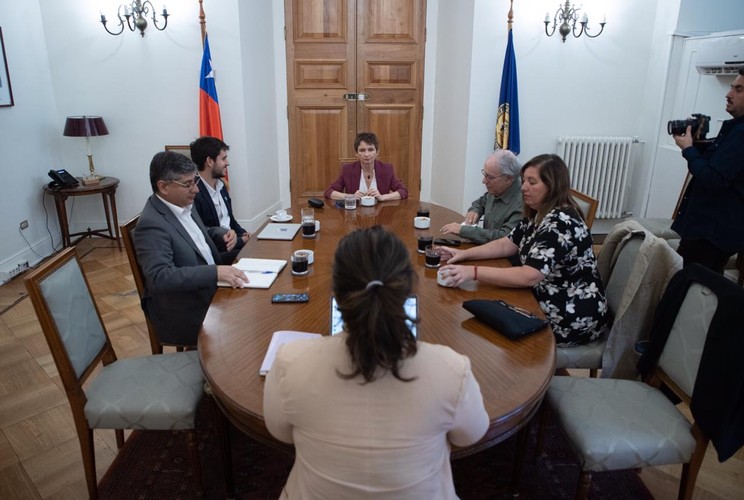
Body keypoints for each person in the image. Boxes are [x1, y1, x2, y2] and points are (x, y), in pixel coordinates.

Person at [264, 226, 489, 499]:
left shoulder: (290, 362)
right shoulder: (452, 370)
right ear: (407, 287)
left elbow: (280, 432)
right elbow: (470, 435)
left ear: (336, 291)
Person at [438, 154, 609, 347]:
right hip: (542, 295)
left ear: (552, 186)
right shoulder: (538, 211)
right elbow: (506, 243)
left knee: (485, 333)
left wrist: (472, 272)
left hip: (569, 313)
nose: (523, 187)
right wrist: (464, 255)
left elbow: (529, 275)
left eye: (532, 182)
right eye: (524, 180)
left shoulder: (560, 223)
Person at [134, 151, 248, 346]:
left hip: (209, 288)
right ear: (163, 187)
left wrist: (220, 233)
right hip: (186, 309)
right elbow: (161, 277)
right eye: (188, 184)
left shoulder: (182, 202)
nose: (196, 189)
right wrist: (215, 272)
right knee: (251, 323)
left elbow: (195, 234)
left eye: (195, 181)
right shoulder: (151, 225)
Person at [671, 68, 744, 273]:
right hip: (710, 230)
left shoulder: (741, 134)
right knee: (697, 285)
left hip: (712, 233)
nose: (728, 94)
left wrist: (688, 150)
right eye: (731, 87)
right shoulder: (734, 129)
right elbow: (717, 166)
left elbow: (713, 178)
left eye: (738, 89)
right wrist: (697, 142)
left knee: (689, 285)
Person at [440, 149, 523, 244]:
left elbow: (504, 238)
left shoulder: (522, 203)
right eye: (485, 174)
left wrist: (464, 231)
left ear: (508, 178)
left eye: (490, 177)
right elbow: (480, 202)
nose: (484, 181)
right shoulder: (497, 190)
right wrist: (475, 210)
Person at [190, 136, 249, 262]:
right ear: (210, 161)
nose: (227, 163)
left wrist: (244, 234)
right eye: (223, 158)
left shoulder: (222, 186)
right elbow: (204, 236)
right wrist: (242, 241)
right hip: (217, 254)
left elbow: (230, 220)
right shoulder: (193, 193)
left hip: (233, 245)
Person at [324, 132, 409, 200]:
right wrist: (350, 196)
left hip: (381, 213)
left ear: (377, 152)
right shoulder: (347, 169)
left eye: (371, 150)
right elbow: (329, 192)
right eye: (362, 150)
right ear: (356, 153)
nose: (367, 154)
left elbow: (403, 191)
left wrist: (382, 197)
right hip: (355, 214)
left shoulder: (387, 169)